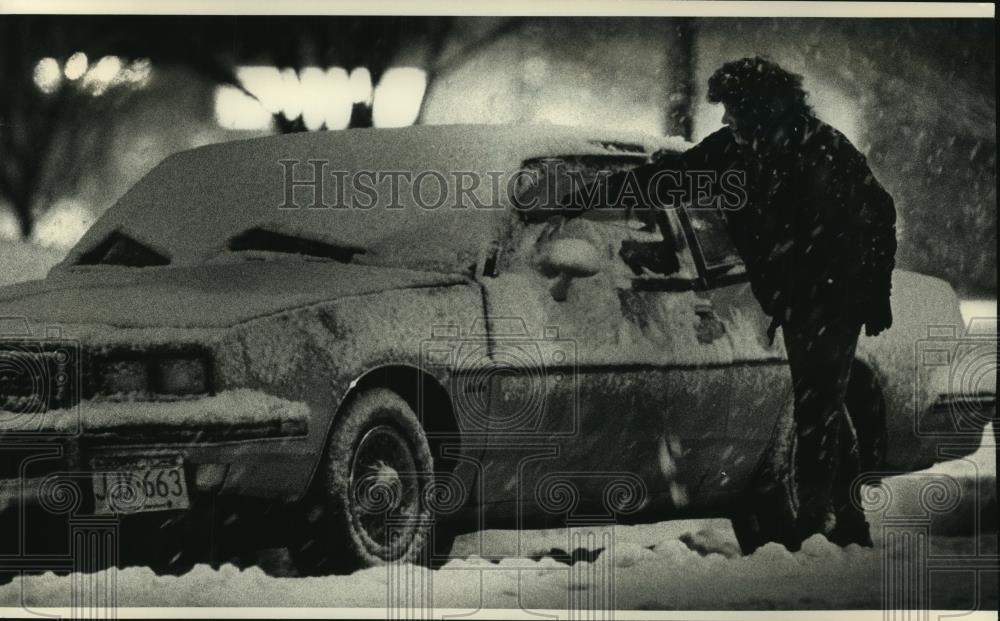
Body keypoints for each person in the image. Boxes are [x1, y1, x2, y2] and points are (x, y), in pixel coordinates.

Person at [562, 56, 897, 548]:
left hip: (832, 297)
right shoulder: (735, 151)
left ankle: (822, 521)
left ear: (760, 108)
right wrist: (589, 193)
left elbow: (878, 215)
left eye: (732, 108)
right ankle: (845, 519)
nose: (724, 120)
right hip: (795, 296)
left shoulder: (823, 149)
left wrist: (873, 292)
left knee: (816, 407)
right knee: (820, 405)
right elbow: (674, 177)